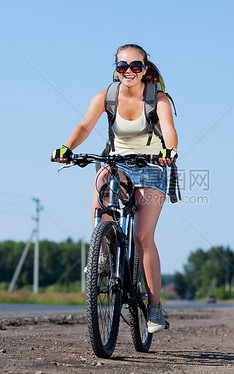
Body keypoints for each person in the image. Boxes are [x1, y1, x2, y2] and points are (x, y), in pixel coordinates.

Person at [52, 44, 178, 333]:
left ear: (145, 68)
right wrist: (67, 148)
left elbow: (169, 130)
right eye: (123, 67)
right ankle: (103, 258)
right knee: (101, 186)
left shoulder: (157, 99)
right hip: (118, 162)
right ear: (116, 69)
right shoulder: (106, 96)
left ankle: (155, 309)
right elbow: (85, 126)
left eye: (136, 66)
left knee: (143, 236)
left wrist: (169, 150)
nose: (129, 72)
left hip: (151, 166)